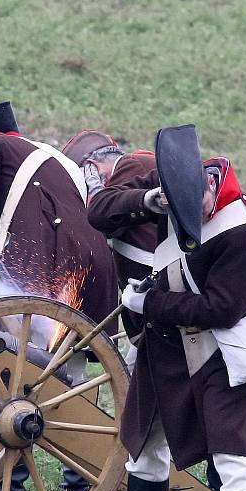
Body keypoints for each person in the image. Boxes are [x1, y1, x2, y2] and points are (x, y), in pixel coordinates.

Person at [92, 141, 246, 491]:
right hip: (166, 345)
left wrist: (149, 304)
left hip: (220, 351)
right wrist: (147, 201)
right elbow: (98, 213)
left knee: (231, 453)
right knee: (144, 443)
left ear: (211, 187)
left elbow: (222, 308)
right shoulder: (168, 189)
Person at [0, 101, 119, 491]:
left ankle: (4, 486)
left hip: (47, 261)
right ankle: (82, 479)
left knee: (15, 379)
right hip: (91, 268)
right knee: (68, 370)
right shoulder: (49, 160)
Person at [63, 131, 157, 368]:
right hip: (153, 309)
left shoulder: (130, 165)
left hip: (170, 301)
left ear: (92, 168)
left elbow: (101, 215)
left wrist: (94, 188)